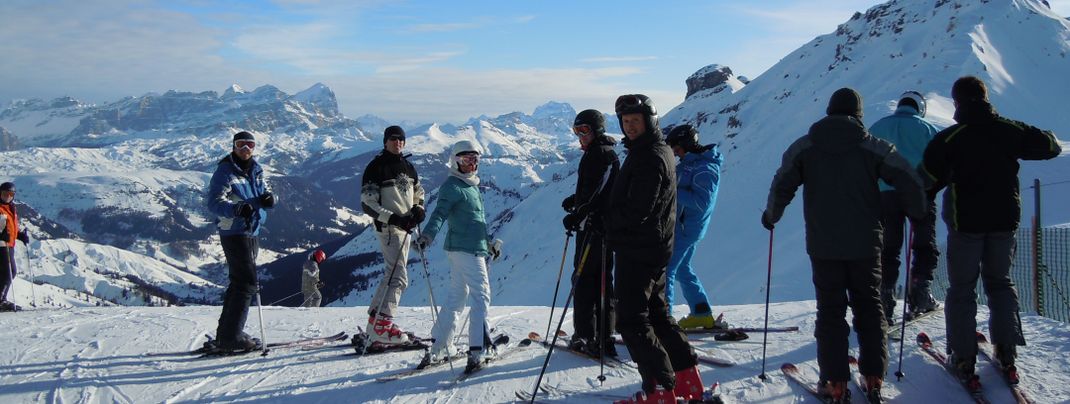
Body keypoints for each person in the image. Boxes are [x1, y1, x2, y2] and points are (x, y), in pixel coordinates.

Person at [762, 88, 925, 403]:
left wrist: (771, 216)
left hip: (823, 245)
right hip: (867, 244)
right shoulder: (873, 146)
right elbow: (907, 176)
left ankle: (835, 383)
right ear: (858, 115)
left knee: (830, 311)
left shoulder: (805, 146)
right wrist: (917, 211)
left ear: (829, 111)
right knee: (869, 306)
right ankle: (874, 377)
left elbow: (782, 182)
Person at [919, 76, 1062, 387]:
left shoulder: (950, 139)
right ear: (985, 97)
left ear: (957, 102)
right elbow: (1051, 146)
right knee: (1000, 283)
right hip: (1004, 222)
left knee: (962, 289)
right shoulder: (1009, 130)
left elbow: (926, 180)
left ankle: (963, 357)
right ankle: (1007, 352)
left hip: (965, 224)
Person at [606, 94, 704, 402]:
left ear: (650, 121)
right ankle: (687, 379)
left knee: (632, 320)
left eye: (636, 121)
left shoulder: (648, 156)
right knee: (657, 315)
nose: (630, 126)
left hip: (638, 249)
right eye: (625, 121)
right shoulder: (654, 150)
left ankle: (660, 390)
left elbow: (638, 209)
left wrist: (605, 221)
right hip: (654, 247)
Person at [415, 140, 504, 373]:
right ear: (455, 162)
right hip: (466, 251)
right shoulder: (452, 186)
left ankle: (440, 347)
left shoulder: (470, 185)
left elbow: (475, 222)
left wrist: (488, 244)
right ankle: (477, 350)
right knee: (481, 296)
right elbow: (439, 214)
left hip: (466, 248)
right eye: (466, 160)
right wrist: (427, 236)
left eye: (475, 159)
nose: (471, 164)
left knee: (457, 296)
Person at [869, 91, 942, 326]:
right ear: (920, 108)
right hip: (919, 194)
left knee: (888, 248)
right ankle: (920, 293)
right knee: (924, 244)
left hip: (885, 195)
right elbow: (940, 163)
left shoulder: (877, 127)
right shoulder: (928, 129)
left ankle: (884, 299)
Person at [204, 131, 276, 351]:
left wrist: (269, 199)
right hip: (234, 231)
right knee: (246, 283)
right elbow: (214, 203)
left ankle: (227, 333)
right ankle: (231, 337)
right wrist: (236, 209)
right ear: (233, 146)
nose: (245, 149)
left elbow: (264, 191)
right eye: (241, 144)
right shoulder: (225, 171)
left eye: (250, 145)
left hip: (252, 230)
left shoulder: (256, 170)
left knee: (239, 282)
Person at [561, 109, 620, 358]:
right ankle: (603, 336)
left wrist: (578, 214)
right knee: (602, 282)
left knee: (584, 281)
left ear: (597, 130)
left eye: (584, 130)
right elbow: (596, 189)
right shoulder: (599, 153)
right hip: (600, 228)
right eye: (577, 131)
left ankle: (586, 336)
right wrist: (575, 201)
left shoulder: (600, 154)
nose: (580, 136)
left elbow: (599, 193)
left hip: (594, 229)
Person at [361, 125, 426, 345]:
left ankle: (376, 322)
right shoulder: (376, 167)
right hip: (389, 229)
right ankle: (382, 327)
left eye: (401, 139)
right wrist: (394, 219)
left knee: (391, 275)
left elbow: (419, 192)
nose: (398, 142)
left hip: (405, 228)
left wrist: (419, 208)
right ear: (385, 141)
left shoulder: (408, 166)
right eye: (393, 138)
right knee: (398, 278)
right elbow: (368, 204)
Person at [663, 124, 726, 330]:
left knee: (667, 269)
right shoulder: (690, 164)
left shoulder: (705, 168)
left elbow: (701, 202)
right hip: (684, 226)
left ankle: (664, 321)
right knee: (682, 269)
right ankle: (701, 313)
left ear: (686, 145)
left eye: (677, 148)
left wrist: (671, 190)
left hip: (687, 228)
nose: (675, 153)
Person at [0, 182, 30, 312]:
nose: (8, 196)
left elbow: (10, 228)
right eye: (5, 194)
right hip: (1, 246)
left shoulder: (10, 208)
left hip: (8, 245)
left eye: (11, 194)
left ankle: (2, 299)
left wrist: (20, 235)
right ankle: (1, 301)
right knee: (8, 273)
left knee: (9, 272)